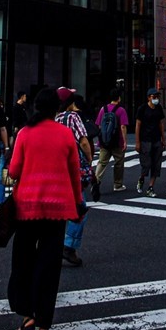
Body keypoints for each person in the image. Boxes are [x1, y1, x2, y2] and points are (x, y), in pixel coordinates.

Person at [7, 87, 83, 330]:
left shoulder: (25, 133)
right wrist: (78, 203)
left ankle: (27, 313)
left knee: (23, 261)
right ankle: (44, 326)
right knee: (49, 266)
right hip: (58, 207)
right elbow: (75, 173)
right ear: (57, 109)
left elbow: (14, 170)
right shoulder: (65, 134)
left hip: (27, 206)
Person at [55, 88, 93, 265]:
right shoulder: (72, 117)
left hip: (56, 168)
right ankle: (68, 246)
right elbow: (83, 140)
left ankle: (54, 245)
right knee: (80, 208)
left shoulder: (54, 118)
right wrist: (89, 157)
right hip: (73, 167)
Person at [94, 89, 129, 193]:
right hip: (117, 142)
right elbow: (123, 126)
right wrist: (124, 141)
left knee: (102, 162)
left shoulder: (103, 109)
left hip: (104, 142)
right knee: (119, 163)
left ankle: (96, 181)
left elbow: (99, 125)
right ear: (119, 98)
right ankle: (117, 184)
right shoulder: (121, 110)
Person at [134, 87, 166, 196]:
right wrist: (137, 142)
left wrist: (163, 139)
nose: (156, 99)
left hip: (156, 139)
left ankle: (151, 187)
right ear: (149, 98)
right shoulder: (142, 109)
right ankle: (142, 178)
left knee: (156, 165)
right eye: (154, 97)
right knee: (146, 164)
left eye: (157, 97)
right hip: (145, 140)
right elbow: (138, 125)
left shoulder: (159, 108)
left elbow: (161, 124)